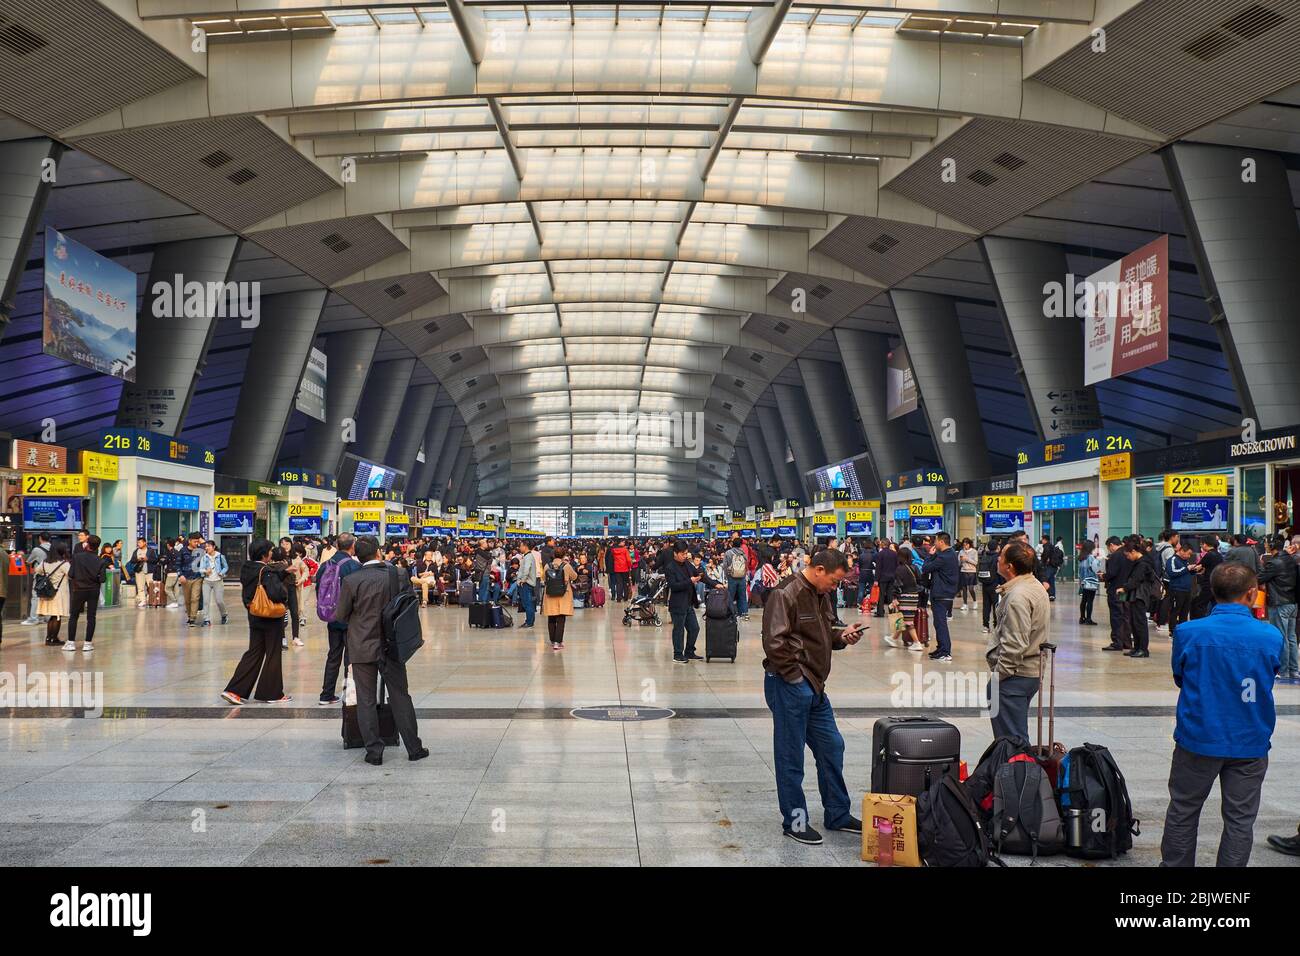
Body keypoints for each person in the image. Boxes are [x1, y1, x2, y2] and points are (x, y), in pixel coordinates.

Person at [1160, 563, 1283, 867]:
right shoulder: (1270, 636)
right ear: (1252, 593)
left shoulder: (1188, 632)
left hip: (1198, 736)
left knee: (1184, 809)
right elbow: (1271, 673)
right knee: (1240, 819)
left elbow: (1181, 676)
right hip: (1250, 738)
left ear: (1212, 592)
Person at [761, 548, 866, 845]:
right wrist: (795, 679)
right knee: (790, 755)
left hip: (815, 686)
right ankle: (795, 821)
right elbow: (774, 642)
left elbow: (825, 632)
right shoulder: (786, 593)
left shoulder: (822, 595)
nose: (835, 587)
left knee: (832, 746)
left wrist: (842, 636)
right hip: (790, 685)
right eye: (833, 581)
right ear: (818, 570)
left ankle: (837, 813)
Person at [334, 535, 428, 766]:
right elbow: (407, 606)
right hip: (392, 645)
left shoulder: (351, 580)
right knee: (400, 695)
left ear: (357, 555)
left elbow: (340, 615)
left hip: (362, 645)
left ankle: (374, 752)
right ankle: (414, 747)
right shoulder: (398, 575)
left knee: (365, 699)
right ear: (378, 553)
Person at [987, 540, 1048, 741]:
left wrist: (999, 675)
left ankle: (1016, 771)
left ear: (1009, 566)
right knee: (1014, 734)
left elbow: (1015, 643)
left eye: (1002, 556)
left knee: (1011, 740)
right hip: (1028, 672)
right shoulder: (1033, 585)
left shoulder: (1018, 597)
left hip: (1015, 675)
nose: (998, 559)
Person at [221, 540, 292, 705]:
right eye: (270, 550)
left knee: (254, 652)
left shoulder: (247, 568)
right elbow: (276, 593)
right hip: (271, 618)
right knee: (273, 654)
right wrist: (284, 594)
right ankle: (271, 693)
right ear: (264, 554)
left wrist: (281, 573)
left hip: (254, 615)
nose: (272, 553)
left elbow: (261, 579)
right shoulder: (266, 571)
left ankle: (234, 691)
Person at [317, 532, 360, 706]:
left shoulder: (325, 565)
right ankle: (349, 695)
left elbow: (319, 588)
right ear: (352, 546)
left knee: (333, 656)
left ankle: (326, 695)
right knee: (350, 659)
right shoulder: (353, 566)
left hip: (332, 618)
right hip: (350, 619)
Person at [1258, 535, 1299, 683]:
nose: (1265, 545)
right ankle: (1294, 670)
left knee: (1282, 638)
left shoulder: (1274, 563)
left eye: (1267, 543)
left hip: (1279, 603)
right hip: (1292, 603)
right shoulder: (1291, 560)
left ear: (1272, 545)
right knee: (1292, 638)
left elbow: (1259, 578)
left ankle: (1283, 670)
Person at [1118, 538, 1158, 658]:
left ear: (1134, 551)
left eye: (1128, 555)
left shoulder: (1143, 563)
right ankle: (1137, 647)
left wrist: (1124, 588)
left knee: (1140, 623)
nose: (1128, 557)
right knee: (1134, 622)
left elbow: (1136, 580)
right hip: (1136, 595)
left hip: (1140, 596)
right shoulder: (1140, 562)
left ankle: (1143, 649)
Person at [66, 534, 107, 653]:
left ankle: (71, 643)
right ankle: (87, 643)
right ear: (98, 546)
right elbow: (102, 579)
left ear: (87, 544)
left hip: (78, 589)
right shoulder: (101, 561)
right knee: (91, 616)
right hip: (93, 590)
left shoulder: (77, 557)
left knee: (74, 616)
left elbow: (71, 574)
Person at [922, 532, 959, 663]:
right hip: (945, 592)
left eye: (936, 541)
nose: (934, 544)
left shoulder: (944, 557)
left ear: (942, 542)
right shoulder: (951, 554)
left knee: (941, 623)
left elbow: (925, 568)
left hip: (941, 594)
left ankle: (945, 652)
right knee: (938, 623)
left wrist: (929, 556)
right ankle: (941, 648)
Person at [664, 541, 703, 664]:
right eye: (683, 554)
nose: (685, 556)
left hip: (688, 603)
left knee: (694, 628)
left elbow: (699, 575)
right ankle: (678, 654)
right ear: (675, 553)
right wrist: (689, 581)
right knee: (679, 630)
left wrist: (715, 584)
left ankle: (689, 651)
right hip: (678, 604)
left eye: (686, 553)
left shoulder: (687, 564)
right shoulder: (670, 568)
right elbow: (674, 586)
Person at [541, 545, 577, 650]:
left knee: (551, 618)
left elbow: (544, 578)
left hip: (550, 594)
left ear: (553, 555)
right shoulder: (566, 566)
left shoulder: (547, 566)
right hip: (563, 595)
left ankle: (553, 641)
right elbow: (574, 576)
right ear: (563, 555)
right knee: (561, 619)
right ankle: (558, 642)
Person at [36, 544, 71, 646]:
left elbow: (37, 571)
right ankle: (53, 639)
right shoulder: (64, 564)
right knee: (56, 616)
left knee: (52, 616)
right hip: (58, 593)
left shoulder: (44, 563)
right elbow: (72, 575)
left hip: (47, 592)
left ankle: (48, 638)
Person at [1102, 536, 1131, 651]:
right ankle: (1126, 642)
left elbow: (1112, 573)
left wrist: (1103, 576)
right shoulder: (1127, 554)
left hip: (1115, 590)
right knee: (1125, 615)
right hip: (1125, 590)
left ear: (1112, 545)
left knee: (1116, 615)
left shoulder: (1115, 556)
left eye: (1109, 548)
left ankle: (1117, 642)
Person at [1164, 542, 1197, 639]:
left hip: (1187, 589)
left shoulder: (1184, 560)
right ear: (1182, 551)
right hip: (1177, 590)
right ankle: (1173, 631)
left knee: (1185, 612)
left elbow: (1185, 573)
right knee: (1175, 610)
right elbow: (1172, 572)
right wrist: (1187, 569)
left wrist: (1193, 570)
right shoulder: (1173, 559)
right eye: (1188, 553)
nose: (1189, 556)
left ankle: (1183, 630)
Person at [21, 532, 50, 625]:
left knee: (36, 596)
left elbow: (29, 561)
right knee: (47, 596)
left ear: (40, 538)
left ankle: (33, 618)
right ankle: (48, 618)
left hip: (40, 576)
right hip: (51, 576)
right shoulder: (53, 548)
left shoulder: (37, 549)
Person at [199, 540, 228, 626]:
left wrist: (222, 573)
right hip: (207, 581)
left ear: (214, 547)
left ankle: (224, 615)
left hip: (218, 581)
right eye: (206, 546)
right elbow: (200, 569)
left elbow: (226, 567)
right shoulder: (204, 557)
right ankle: (206, 619)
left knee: (219, 601)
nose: (207, 548)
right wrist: (205, 571)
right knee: (206, 601)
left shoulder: (220, 556)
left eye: (209, 546)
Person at [977, 538, 1002, 633]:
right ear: (997, 547)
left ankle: (985, 626)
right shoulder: (998, 557)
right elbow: (999, 571)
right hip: (995, 584)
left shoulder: (984, 556)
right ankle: (996, 625)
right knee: (996, 605)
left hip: (985, 584)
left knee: (986, 605)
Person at [722, 535, 749, 620]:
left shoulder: (728, 553)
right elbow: (746, 564)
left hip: (732, 577)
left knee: (731, 596)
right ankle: (744, 614)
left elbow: (725, 566)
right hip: (742, 577)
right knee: (742, 596)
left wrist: (727, 576)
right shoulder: (743, 553)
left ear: (732, 544)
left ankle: (731, 613)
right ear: (740, 545)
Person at [128, 536, 159, 608]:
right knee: (140, 587)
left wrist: (147, 559)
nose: (138, 544)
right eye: (138, 542)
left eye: (140, 542)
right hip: (139, 571)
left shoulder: (150, 551)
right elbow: (132, 560)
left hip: (149, 571)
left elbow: (155, 560)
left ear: (145, 543)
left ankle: (152, 600)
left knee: (151, 586)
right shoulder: (136, 551)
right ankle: (143, 600)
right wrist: (137, 559)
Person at [1077, 539, 1101, 626]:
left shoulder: (1081, 557)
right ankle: (1089, 619)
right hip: (1091, 581)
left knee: (1084, 600)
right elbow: (1096, 569)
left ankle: (1082, 617)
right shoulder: (1091, 558)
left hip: (1083, 581)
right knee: (1090, 601)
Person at [516, 540, 539, 628]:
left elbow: (526, 569)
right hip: (526, 583)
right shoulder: (527, 556)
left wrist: (523, 579)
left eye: (521, 546)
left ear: (525, 546)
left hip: (526, 584)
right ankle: (529, 621)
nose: (520, 547)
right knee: (527, 603)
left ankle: (529, 622)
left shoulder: (528, 556)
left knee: (527, 603)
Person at [873, 539, 897, 618]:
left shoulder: (880, 554)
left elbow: (878, 568)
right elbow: (896, 566)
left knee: (881, 595)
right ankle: (891, 612)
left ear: (883, 544)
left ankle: (880, 612)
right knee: (890, 595)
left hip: (882, 577)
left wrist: (876, 580)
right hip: (892, 577)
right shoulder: (894, 554)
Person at [957, 538, 978, 612]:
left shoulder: (974, 551)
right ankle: (965, 604)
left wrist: (967, 559)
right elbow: (958, 563)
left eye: (966, 545)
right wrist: (961, 560)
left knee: (971, 588)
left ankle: (975, 601)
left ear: (969, 544)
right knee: (964, 589)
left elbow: (975, 562)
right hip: (963, 571)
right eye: (963, 545)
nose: (965, 546)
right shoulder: (961, 551)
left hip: (972, 571)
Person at [1039, 534, 1062, 601]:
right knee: (1051, 580)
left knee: (1044, 579)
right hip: (1054, 566)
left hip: (1049, 566)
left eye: (1042, 539)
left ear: (1045, 540)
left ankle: (1045, 594)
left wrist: (1042, 563)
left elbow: (1045, 557)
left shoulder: (1047, 547)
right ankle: (1052, 595)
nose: (1041, 541)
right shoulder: (1052, 546)